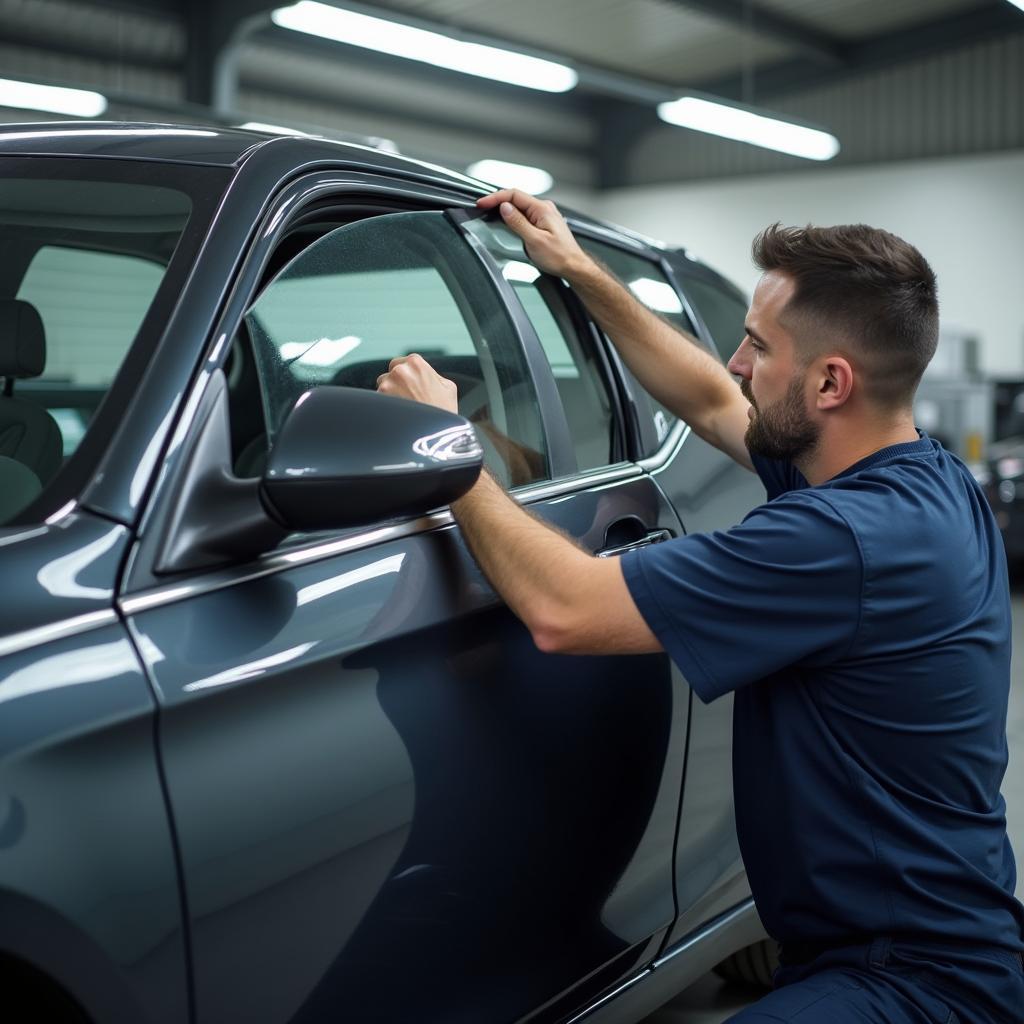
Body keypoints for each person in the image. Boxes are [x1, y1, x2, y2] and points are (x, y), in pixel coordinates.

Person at [377, 189, 1024, 1023]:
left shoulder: (845, 537)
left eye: (757, 345)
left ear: (831, 382)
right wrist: (576, 270)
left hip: (911, 983)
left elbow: (563, 610)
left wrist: (445, 445)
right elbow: (716, 406)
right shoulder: (920, 478)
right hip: (909, 949)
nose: (736, 364)